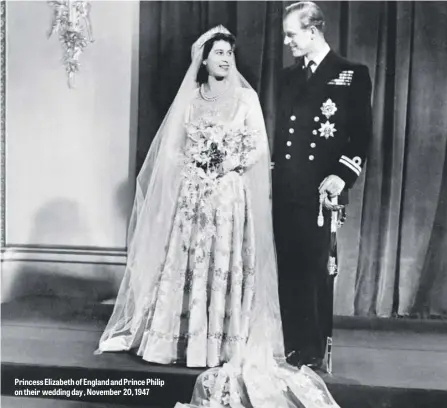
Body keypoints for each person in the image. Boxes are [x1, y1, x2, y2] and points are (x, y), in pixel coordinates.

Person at [96, 25, 342, 408]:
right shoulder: (191, 100)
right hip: (195, 197)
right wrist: (195, 167)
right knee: (189, 266)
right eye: (219, 53)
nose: (226, 59)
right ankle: (184, 343)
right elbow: (173, 150)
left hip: (229, 196)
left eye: (230, 53)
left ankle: (221, 345)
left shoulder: (246, 100)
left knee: (225, 265)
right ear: (204, 59)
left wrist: (224, 163)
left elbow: (257, 149)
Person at [272, 2, 373, 369]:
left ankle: (313, 351)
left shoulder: (351, 73)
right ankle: (291, 346)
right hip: (286, 189)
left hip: (320, 193)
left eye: (292, 34)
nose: (287, 42)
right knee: (288, 268)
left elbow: (360, 136)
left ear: (313, 31)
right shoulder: (288, 78)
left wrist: (342, 176)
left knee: (315, 270)